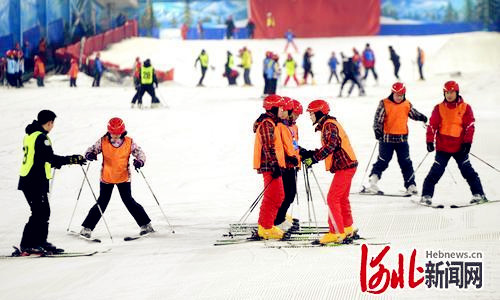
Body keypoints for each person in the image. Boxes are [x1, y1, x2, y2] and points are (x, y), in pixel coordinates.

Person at [16, 110, 86, 255]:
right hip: (34, 180)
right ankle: (28, 244)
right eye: (53, 123)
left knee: (43, 212)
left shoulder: (30, 135)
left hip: (30, 179)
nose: (53, 126)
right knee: (38, 212)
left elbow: (40, 158)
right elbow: (51, 158)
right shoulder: (42, 138)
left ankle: (40, 241)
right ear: (49, 123)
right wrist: (72, 159)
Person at [80, 118, 154, 239]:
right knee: (102, 202)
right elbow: (92, 149)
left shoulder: (129, 142)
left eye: (118, 134)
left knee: (129, 201)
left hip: (123, 177)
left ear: (123, 132)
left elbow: (140, 153)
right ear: (109, 132)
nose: (115, 136)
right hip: (107, 177)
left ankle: (146, 225)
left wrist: (140, 161)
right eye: (113, 134)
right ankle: (87, 228)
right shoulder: (103, 141)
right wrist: (90, 154)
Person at [300, 100, 358, 245]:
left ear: (319, 112)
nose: (310, 116)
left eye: (311, 113)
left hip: (345, 166)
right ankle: (347, 227)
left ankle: (336, 233)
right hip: (347, 165)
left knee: (333, 198)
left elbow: (331, 145)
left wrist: (314, 158)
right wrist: (311, 154)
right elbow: (330, 146)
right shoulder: (329, 124)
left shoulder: (329, 125)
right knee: (341, 198)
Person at [421, 81, 487, 205]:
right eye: (447, 92)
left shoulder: (465, 107)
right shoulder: (439, 108)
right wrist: (429, 141)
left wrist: (467, 143)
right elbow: (432, 126)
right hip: (443, 148)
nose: (449, 95)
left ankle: (479, 194)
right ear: (444, 93)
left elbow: (470, 126)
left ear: (457, 92)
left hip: (460, 148)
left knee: (468, 171)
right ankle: (426, 196)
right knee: (435, 172)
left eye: (452, 92)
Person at [366, 82, 427, 194]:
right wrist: (377, 131)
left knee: (406, 163)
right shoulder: (384, 103)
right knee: (383, 161)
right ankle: (373, 181)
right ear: (392, 93)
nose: (399, 97)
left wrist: (422, 117)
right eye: (397, 95)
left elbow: (413, 113)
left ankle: (411, 185)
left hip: (402, 140)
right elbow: (378, 119)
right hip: (386, 139)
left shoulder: (406, 104)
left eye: (401, 95)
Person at [253, 95, 286, 239]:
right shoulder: (267, 124)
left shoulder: (271, 122)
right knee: (273, 196)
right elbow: (268, 146)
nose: (282, 110)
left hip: (272, 165)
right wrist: (274, 165)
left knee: (277, 195)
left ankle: (266, 225)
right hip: (270, 166)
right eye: (280, 107)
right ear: (273, 108)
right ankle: (265, 227)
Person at [274, 98, 302, 231]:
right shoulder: (280, 126)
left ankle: (281, 217)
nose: (296, 117)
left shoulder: (292, 127)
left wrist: (301, 154)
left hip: (292, 165)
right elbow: (281, 146)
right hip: (285, 166)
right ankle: (278, 219)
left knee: (291, 193)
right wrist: (288, 158)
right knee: (287, 194)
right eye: (295, 114)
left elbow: (293, 145)